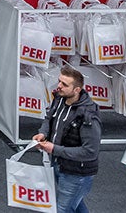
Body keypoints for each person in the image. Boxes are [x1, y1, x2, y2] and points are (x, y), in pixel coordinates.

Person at [31, 65, 101, 213]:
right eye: (59, 81)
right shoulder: (60, 98)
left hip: (76, 173)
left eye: (64, 84)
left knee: (62, 209)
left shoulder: (88, 115)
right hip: (59, 164)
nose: (59, 86)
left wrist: (54, 149)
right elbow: (49, 118)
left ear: (77, 89)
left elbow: (90, 152)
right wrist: (43, 133)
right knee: (75, 204)